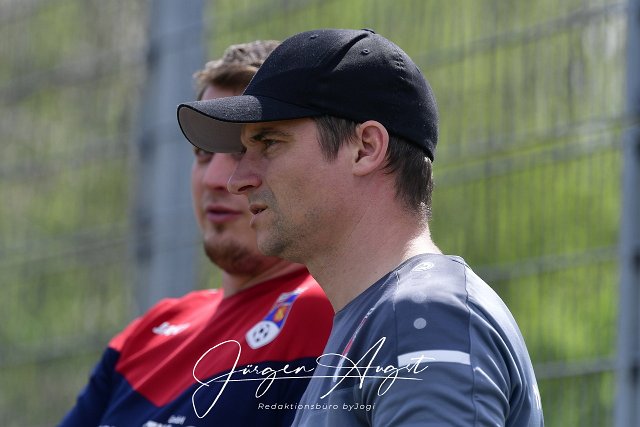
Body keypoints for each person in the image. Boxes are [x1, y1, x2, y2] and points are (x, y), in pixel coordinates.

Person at [177, 28, 544, 426]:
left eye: (269, 143)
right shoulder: (383, 316)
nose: (237, 180)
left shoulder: (423, 315)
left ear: (365, 148)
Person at [58, 40, 334, 427]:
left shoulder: (335, 310)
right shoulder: (146, 334)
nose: (216, 179)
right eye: (202, 154)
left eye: (245, 151)